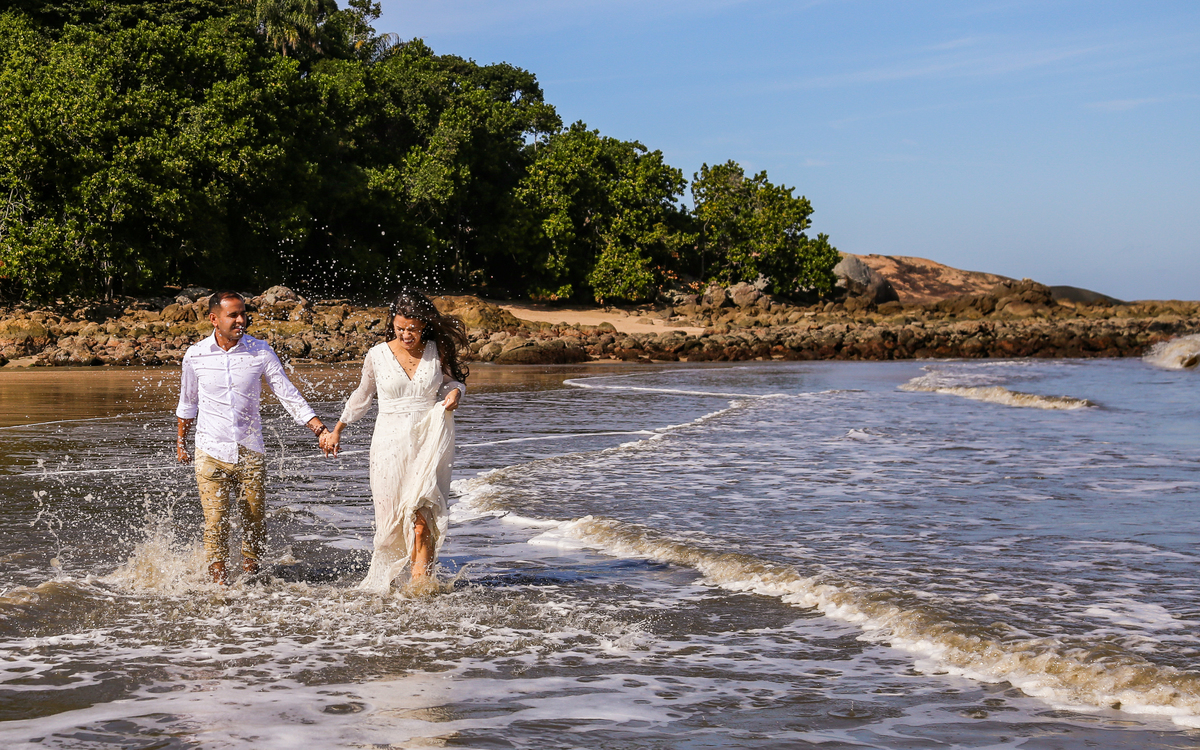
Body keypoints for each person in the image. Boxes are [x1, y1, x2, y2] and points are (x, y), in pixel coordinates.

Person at [176, 291, 332, 585]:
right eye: (233, 315)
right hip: (209, 449)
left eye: (243, 314)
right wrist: (181, 442)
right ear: (214, 319)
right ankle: (219, 585)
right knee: (215, 523)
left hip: (250, 450)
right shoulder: (195, 355)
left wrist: (319, 429)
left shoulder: (260, 352)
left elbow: (288, 395)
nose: (240, 320)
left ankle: (250, 580)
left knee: (254, 522)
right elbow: (188, 402)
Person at [320, 289, 467, 590]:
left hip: (428, 438)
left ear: (423, 325)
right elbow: (362, 396)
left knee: (422, 515)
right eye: (400, 328)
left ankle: (419, 587)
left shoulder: (436, 350)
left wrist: (455, 392)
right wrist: (337, 429)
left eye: (411, 329)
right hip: (389, 443)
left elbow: (454, 381)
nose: (405, 334)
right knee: (389, 527)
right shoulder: (377, 355)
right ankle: (391, 584)